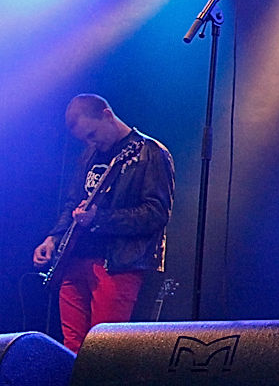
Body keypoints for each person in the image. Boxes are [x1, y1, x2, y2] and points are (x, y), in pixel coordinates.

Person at [32, 94, 175, 352]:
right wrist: (53, 238)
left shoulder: (150, 152)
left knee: (103, 349)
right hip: (74, 260)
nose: (91, 143)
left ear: (107, 115)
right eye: (85, 139)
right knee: (71, 350)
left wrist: (99, 219)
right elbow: (73, 202)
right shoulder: (90, 154)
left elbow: (156, 214)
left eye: (92, 134)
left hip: (116, 266)